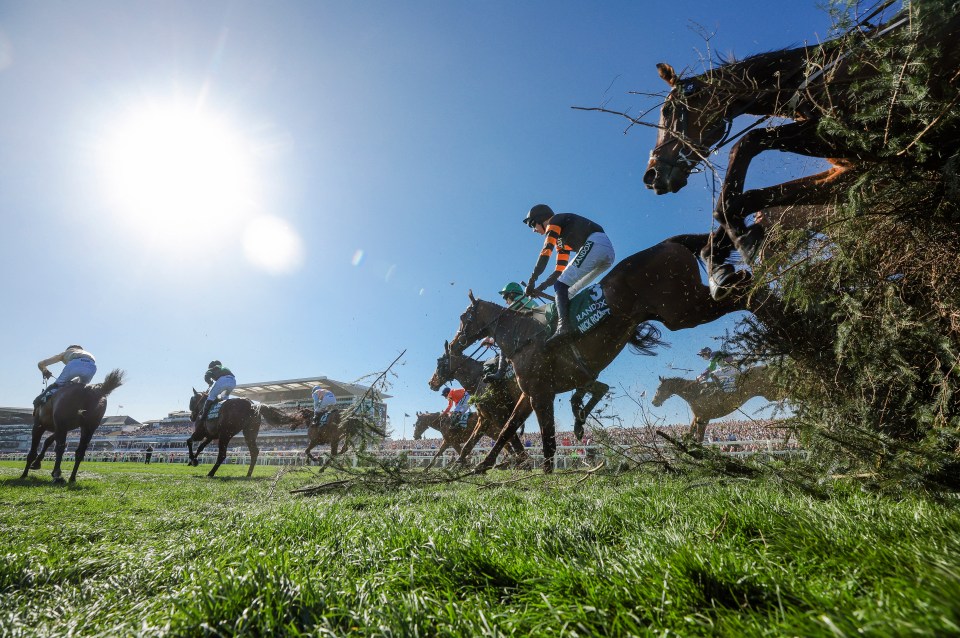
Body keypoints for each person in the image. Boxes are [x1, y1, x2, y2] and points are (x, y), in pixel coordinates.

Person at [522, 204, 615, 344]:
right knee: (567, 291)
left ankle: (563, 327)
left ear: (540, 219)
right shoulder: (561, 240)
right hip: (605, 252)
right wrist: (539, 288)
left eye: (532, 225)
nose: (533, 230)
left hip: (596, 243)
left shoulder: (554, 221)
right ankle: (580, 322)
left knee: (561, 285)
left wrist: (531, 281)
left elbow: (545, 252)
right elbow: (559, 270)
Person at [483, 282, 540, 382]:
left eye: (505, 297)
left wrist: (491, 339)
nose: (505, 302)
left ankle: (500, 372)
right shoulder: (525, 301)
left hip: (534, 330)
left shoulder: (519, 301)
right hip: (534, 329)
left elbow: (502, 320)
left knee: (504, 341)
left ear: (512, 295)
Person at [199, 360, 236, 430]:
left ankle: (203, 418)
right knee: (224, 398)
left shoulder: (212, 368)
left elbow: (206, 376)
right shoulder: (225, 368)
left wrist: (209, 382)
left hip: (222, 381)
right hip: (233, 382)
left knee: (211, 397)